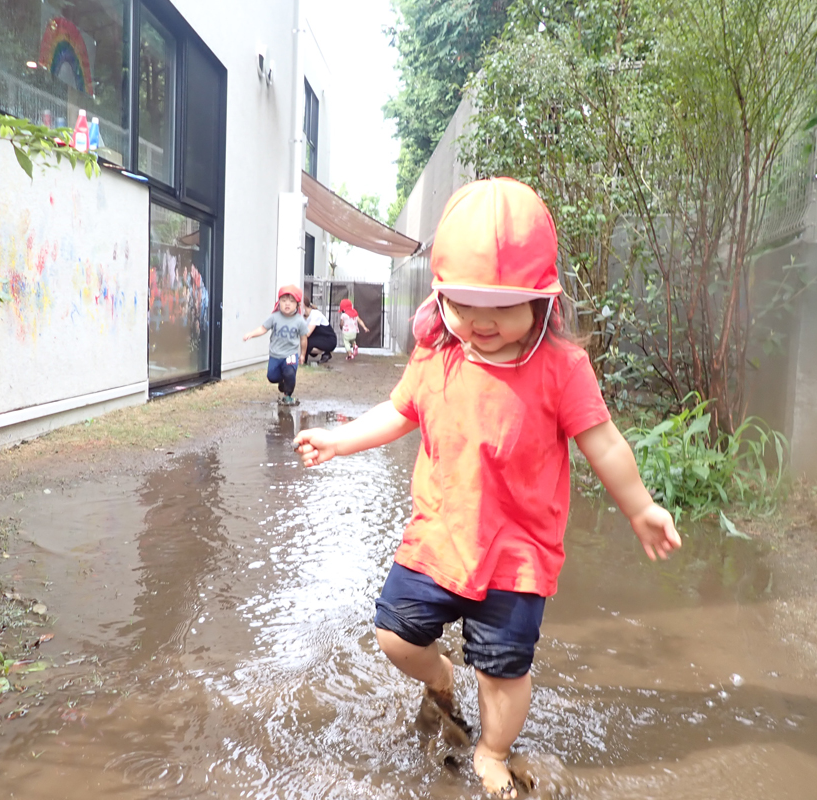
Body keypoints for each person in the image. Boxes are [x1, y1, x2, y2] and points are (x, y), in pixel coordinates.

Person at [292, 179, 680, 798]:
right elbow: (399, 413)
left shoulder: (561, 368)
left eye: (502, 306)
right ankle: (441, 675)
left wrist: (641, 507)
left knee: (503, 671)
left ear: (543, 301)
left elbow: (603, 442)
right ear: (442, 296)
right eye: (465, 304)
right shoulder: (435, 355)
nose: (481, 321)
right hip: (439, 538)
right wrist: (339, 441)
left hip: (517, 556)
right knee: (394, 633)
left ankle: (493, 750)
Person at [243, 285, 307, 406]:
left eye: (291, 301)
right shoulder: (274, 317)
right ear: (278, 303)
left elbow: (304, 338)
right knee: (272, 377)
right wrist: (251, 334)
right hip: (275, 354)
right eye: (284, 301)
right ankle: (283, 382)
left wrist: (303, 355)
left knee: (290, 373)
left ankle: (287, 396)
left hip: (290, 355)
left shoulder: (299, 321)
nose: (287, 304)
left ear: (297, 305)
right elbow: (263, 328)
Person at [303, 298, 337, 365]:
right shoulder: (302, 316)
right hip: (317, 338)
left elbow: (307, 333)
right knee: (304, 342)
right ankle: (324, 353)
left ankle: (325, 352)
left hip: (328, 339)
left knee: (305, 343)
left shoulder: (315, 314)